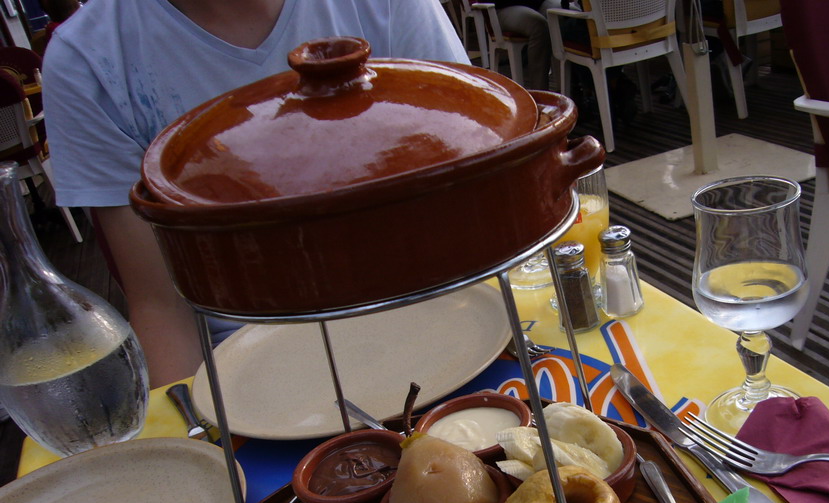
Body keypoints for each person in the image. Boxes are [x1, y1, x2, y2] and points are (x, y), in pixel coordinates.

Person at [42, 0, 470, 387]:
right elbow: (162, 306)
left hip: (440, 314)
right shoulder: (89, 58)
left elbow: (472, 191)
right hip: (252, 364)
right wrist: (200, 436)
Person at [492, 0, 561, 91]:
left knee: (564, 14)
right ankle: (539, 93)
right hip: (503, 7)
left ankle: (568, 90)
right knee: (539, 26)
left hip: (538, 4)